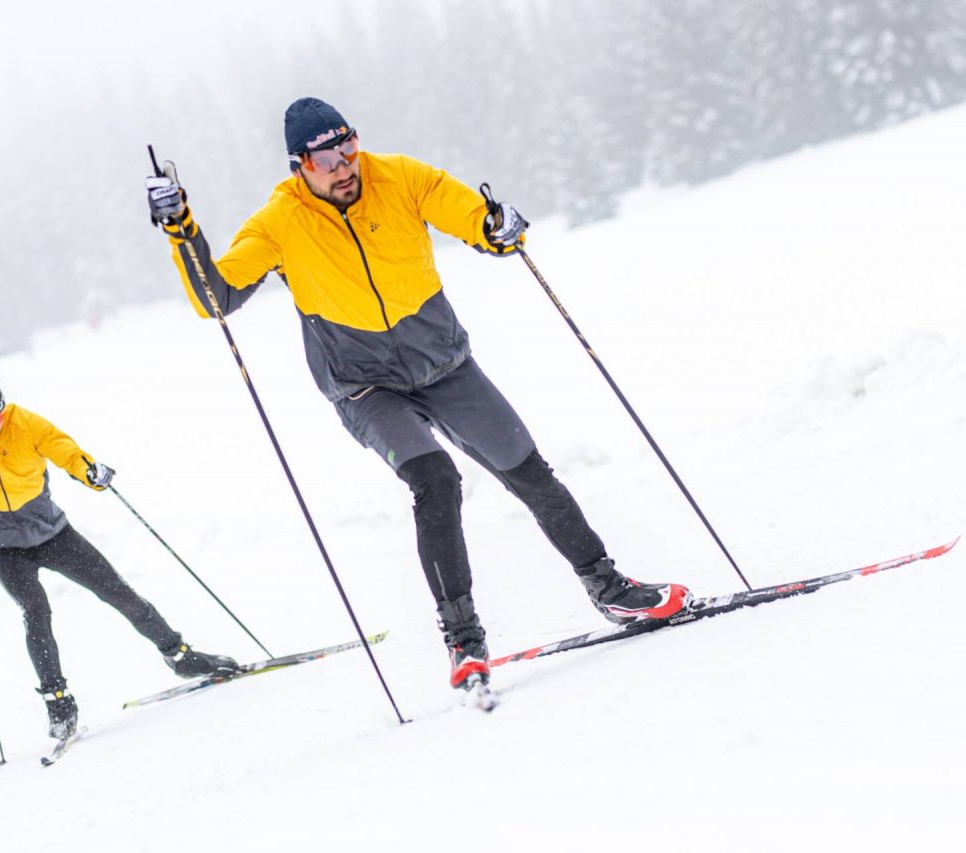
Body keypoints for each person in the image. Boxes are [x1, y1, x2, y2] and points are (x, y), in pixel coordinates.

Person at [144, 97, 691, 696]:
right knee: (436, 480)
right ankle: (463, 640)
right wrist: (182, 230)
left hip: (445, 365)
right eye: (327, 156)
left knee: (529, 471)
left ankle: (610, 591)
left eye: (349, 145)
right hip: (366, 387)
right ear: (300, 164)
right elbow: (215, 298)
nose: (345, 163)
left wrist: (497, 226)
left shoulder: (400, 176)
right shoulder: (279, 221)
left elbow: (468, 215)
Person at [0, 374, 238, 739]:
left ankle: (180, 655)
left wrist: (90, 472)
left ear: (3, 408)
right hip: (1, 546)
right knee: (36, 610)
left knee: (115, 589)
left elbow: (65, 450)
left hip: (51, 532)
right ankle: (58, 703)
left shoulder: (26, 423)